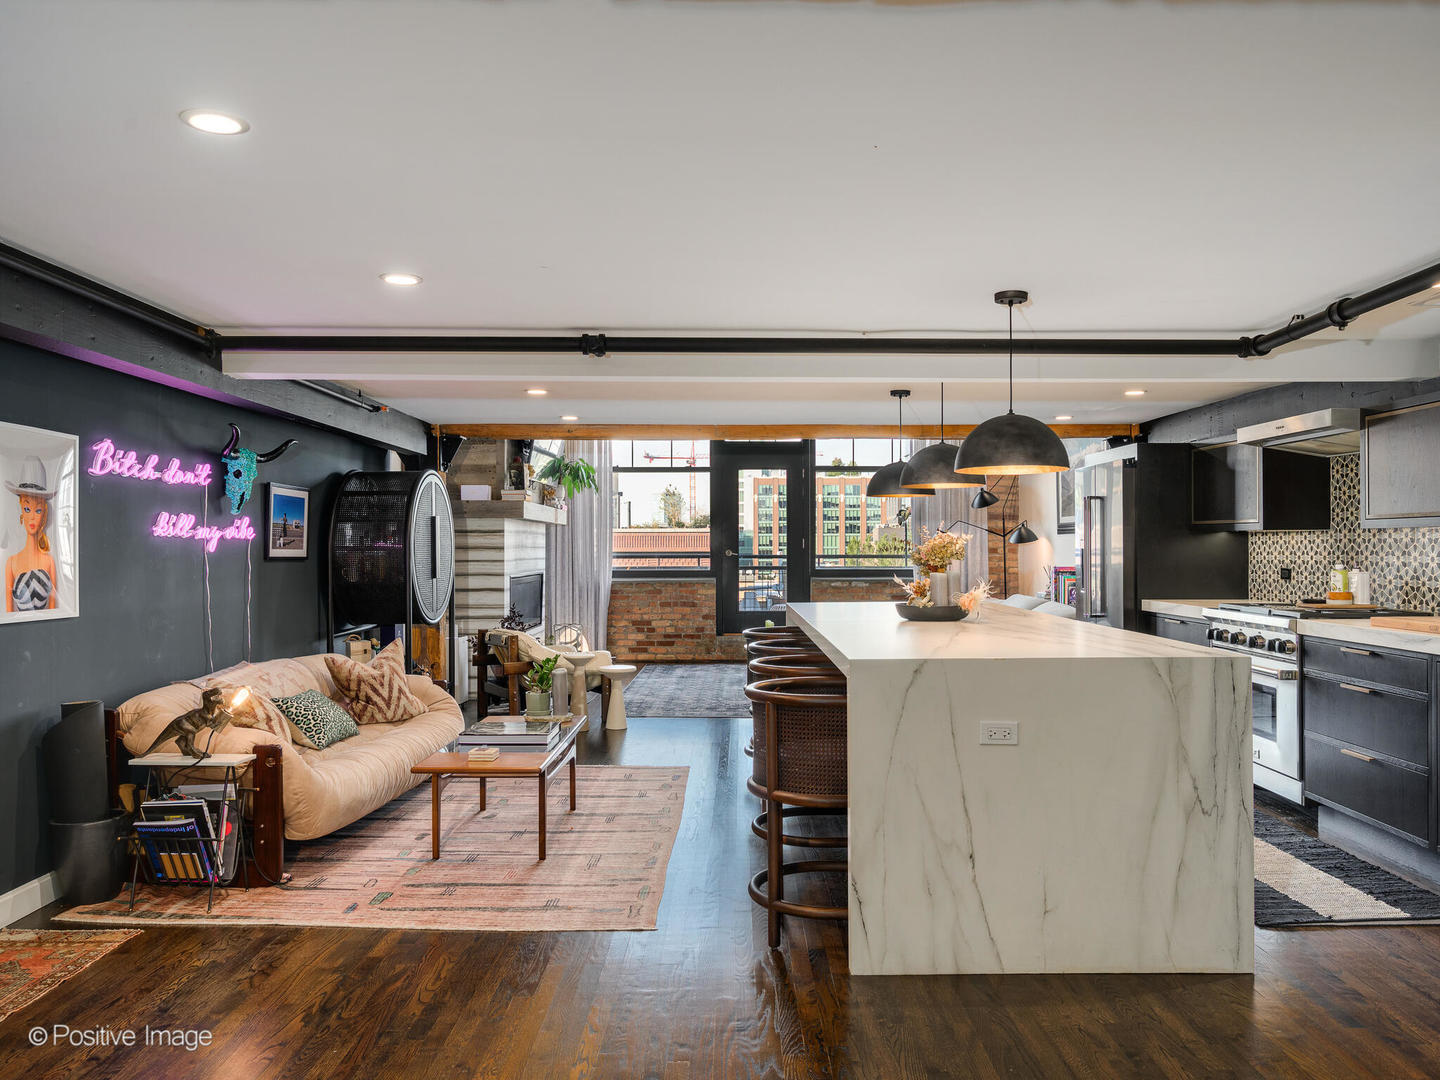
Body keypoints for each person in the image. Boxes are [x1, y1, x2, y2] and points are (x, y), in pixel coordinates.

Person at [6, 456, 58, 613]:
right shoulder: (11, 562)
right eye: (27, 509)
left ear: (44, 514)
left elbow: (53, 610)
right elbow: (9, 613)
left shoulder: (49, 562)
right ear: (21, 509)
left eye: (38, 510)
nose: (33, 516)